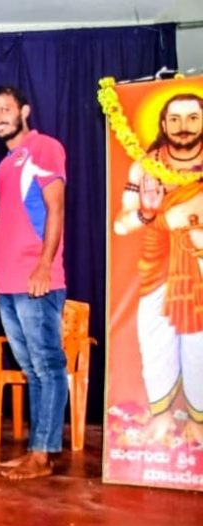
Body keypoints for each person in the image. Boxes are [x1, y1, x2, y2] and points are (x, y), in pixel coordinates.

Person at [0, 86, 70, 480]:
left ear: (24, 111)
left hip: (37, 280)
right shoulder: (5, 164)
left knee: (48, 366)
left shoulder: (43, 148)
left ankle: (43, 454)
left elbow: (56, 209)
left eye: (5, 109)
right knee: (32, 370)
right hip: (8, 284)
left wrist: (44, 266)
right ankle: (38, 450)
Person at [114, 92, 203, 448]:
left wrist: (181, 216)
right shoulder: (145, 167)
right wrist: (148, 213)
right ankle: (162, 417)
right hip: (157, 266)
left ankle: (199, 420)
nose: (183, 127)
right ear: (163, 124)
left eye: (193, 118)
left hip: (199, 263)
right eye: (175, 119)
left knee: (199, 345)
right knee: (154, 341)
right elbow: (122, 224)